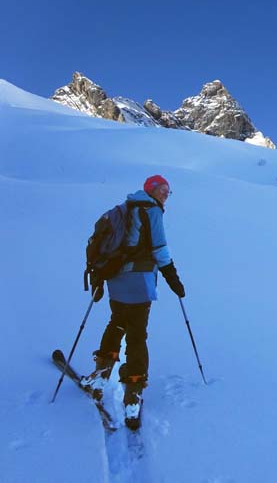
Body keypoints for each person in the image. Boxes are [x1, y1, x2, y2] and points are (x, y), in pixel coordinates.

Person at [81, 175, 185, 419]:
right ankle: (133, 391)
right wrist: (173, 279)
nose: (165, 194)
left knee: (117, 323)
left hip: (117, 279)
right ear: (151, 189)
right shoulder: (152, 211)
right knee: (137, 333)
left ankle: (99, 377)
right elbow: (160, 249)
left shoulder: (126, 207)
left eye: (168, 191)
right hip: (139, 281)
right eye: (161, 189)